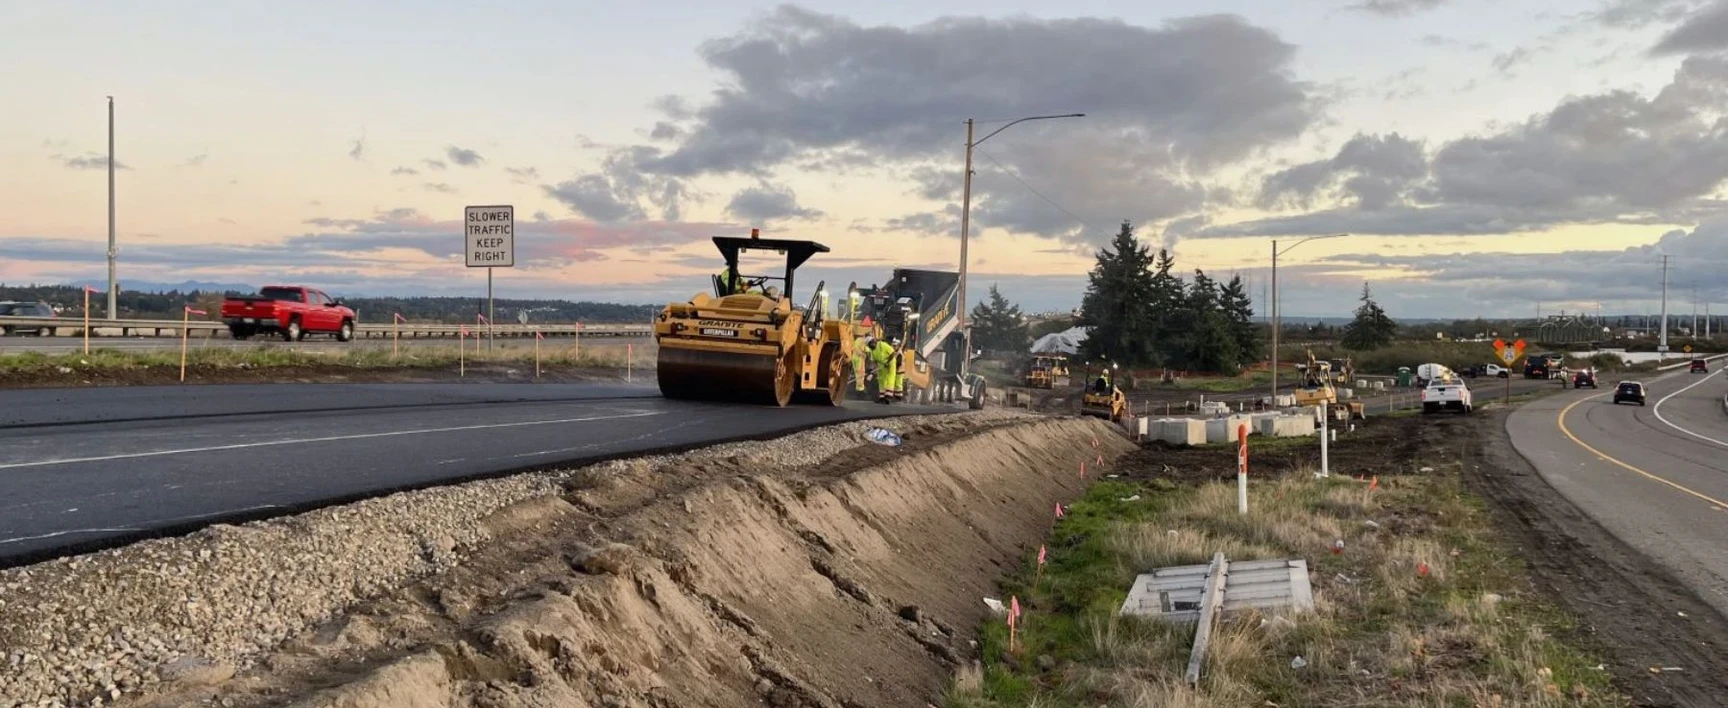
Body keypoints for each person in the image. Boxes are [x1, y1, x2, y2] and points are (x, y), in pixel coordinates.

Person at [868, 335, 899, 402]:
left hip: (890, 363)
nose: (870, 347)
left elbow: (892, 353)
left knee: (889, 379)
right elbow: (873, 361)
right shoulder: (872, 351)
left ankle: (888, 397)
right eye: (869, 346)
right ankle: (882, 397)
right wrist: (871, 371)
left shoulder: (882, 345)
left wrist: (887, 362)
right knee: (881, 380)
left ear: (873, 342)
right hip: (881, 365)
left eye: (870, 344)